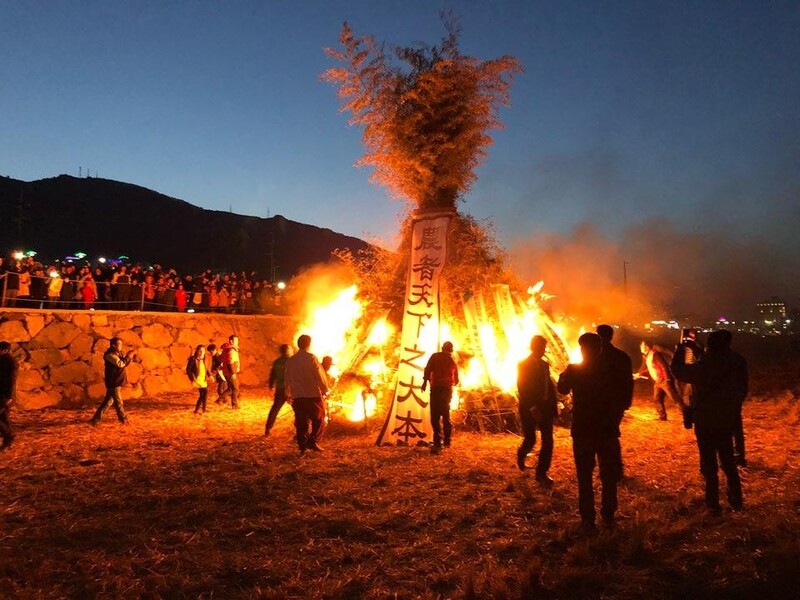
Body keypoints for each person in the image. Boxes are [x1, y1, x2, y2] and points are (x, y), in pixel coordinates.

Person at [671, 329, 747, 513]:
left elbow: (679, 371)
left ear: (710, 345)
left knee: (709, 464)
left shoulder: (704, 365)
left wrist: (680, 350)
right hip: (726, 418)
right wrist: (732, 406)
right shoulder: (737, 361)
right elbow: (742, 387)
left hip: (705, 420)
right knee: (728, 460)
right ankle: (736, 499)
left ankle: (713, 504)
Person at [558, 332, 620, 530]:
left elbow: (562, 389)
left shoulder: (575, 370)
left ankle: (587, 518)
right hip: (606, 428)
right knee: (608, 475)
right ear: (600, 348)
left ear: (582, 349)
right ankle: (608, 514)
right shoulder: (611, 369)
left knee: (584, 476)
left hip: (583, 428)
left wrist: (563, 375)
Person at [516, 335, 558, 483]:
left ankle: (541, 473)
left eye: (544, 347)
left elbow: (548, 385)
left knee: (548, 441)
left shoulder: (545, 364)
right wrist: (532, 408)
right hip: (529, 408)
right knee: (531, 439)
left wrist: (553, 405)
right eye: (541, 347)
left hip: (545, 407)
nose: (543, 350)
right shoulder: (523, 365)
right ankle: (521, 454)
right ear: (533, 347)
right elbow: (522, 388)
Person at [596, 324, 634, 481]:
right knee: (611, 434)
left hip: (601, 403)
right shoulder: (622, 356)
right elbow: (629, 381)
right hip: (617, 402)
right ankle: (615, 470)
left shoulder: (595, 357)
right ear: (611, 336)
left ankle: (609, 471)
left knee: (603, 436)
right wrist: (626, 401)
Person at [284, 334, 329, 454]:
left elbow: (287, 378)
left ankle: (302, 446)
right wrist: (325, 389)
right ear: (308, 345)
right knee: (319, 419)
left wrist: (287, 393)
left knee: (301, 422)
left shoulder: (291, 361)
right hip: (312, 395)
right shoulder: (311, 358)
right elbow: (320, 375)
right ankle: (312, 441)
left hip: (298, 396)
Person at [421, 341, 460, 454]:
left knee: (435, 415)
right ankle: (447, 441)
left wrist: (425, 382)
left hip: (436, 389)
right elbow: (456, 378)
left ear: (442, 348)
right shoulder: (452, 359)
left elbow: (428, 368)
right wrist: (453, 382)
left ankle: (437, 441)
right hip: (447, 390)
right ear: (451, 350)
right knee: (446, 415)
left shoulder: (435, 356)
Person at [90, 337, 135, 425]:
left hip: (117, 382)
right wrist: (129, 356)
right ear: (113, 345)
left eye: (121, 344)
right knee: (119, 402)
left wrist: (129, 357)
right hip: (114, 382)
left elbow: (124, 363)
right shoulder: (110, 355)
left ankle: (96, 419)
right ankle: (123, 419)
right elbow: (121, 364)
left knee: (108, 402)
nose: (121, 346)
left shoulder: (118, 353)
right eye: (119, 344)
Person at [638, 340, 685, 421]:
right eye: (641, 347)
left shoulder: (655, 354)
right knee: (657, 398)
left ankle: (687, 414)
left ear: (647, 347)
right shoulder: (647, 356)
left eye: (643, 346)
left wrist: (667, 378)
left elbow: (663, 366)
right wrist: (639, 374)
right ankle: (662, 416)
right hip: (658, 381)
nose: (642, 348)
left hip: (664, 380)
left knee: (675, 398)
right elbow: (649, 369)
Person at [264, 344, 291, 436]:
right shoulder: (292, 361)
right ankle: (300, 431)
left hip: (280, 388)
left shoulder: (277, 362)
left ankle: (268, 428)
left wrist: (271, 385)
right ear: (288, 350)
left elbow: (272, 374)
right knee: (298, 411)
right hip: (290, 389)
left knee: (275, 409)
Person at [0, 341, 19, 450]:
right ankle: (8, 438)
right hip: (2, 394)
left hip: (5, 395)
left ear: (5, 350)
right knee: (3, 417)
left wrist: (9, 397)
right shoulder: (2, 360)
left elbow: (12, 380)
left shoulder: (11, 362)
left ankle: (8, 437)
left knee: (3, 416)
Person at [220, 335, 241, 409]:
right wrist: (233, 373)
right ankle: (234, 405)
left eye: (237, 341)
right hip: (230, 372)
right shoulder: (231, 350)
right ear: (231, 341)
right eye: (236, 341)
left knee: (230, 389)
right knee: (235, 388)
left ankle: (219, 400)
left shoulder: (227, 349)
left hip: (227, 372)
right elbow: (230, 362)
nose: (237, 343)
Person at [188, 345, 209, 414]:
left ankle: (198, 410)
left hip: (203, 378)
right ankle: (203, 409)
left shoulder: (205, 358)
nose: (201, 352)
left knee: (203, 394)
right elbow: (188, 370)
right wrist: (192, 378)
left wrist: (210, 375)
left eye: (203, 351)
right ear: (197, 351)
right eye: (200, 351)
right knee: (205, 392)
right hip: (197, 378)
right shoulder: (193, 359)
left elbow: (206, 369)